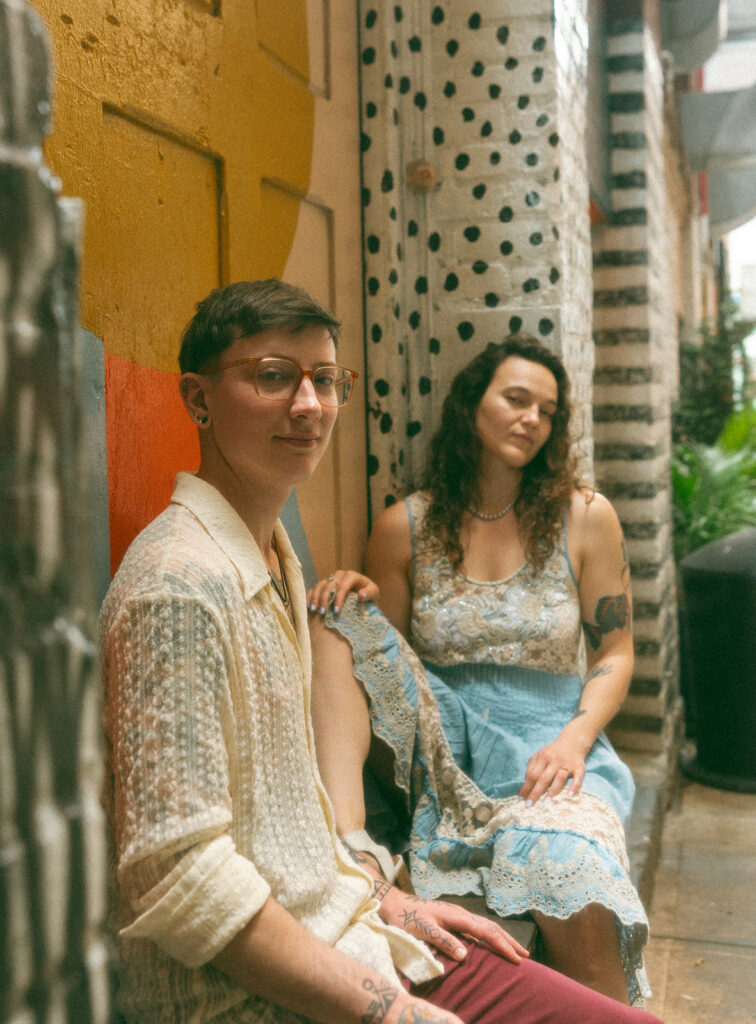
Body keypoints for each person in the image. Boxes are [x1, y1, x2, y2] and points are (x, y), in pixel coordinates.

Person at [100, 280, 664, 1024]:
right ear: (198, 400)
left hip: (360, 926)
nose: (309, 405)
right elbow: (180, 881)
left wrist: (384, 896)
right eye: (273, 376)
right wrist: (386, 1011)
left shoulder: (270, 559)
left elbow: (284, 819)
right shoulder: (179, 584)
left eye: (326, 381)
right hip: (269, 992)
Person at [308, 336, 650, 1006]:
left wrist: (574, 741)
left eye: (547, 411)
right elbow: (388, 665)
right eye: (516, 399)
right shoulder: (405, 524)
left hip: (555, 750)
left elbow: (616, 651)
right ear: (472, 405)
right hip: (448, 752)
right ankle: (353, 845)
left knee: (572, 861)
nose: (532, 419)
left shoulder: (584, 516)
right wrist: (356, 595)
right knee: (339, 614)